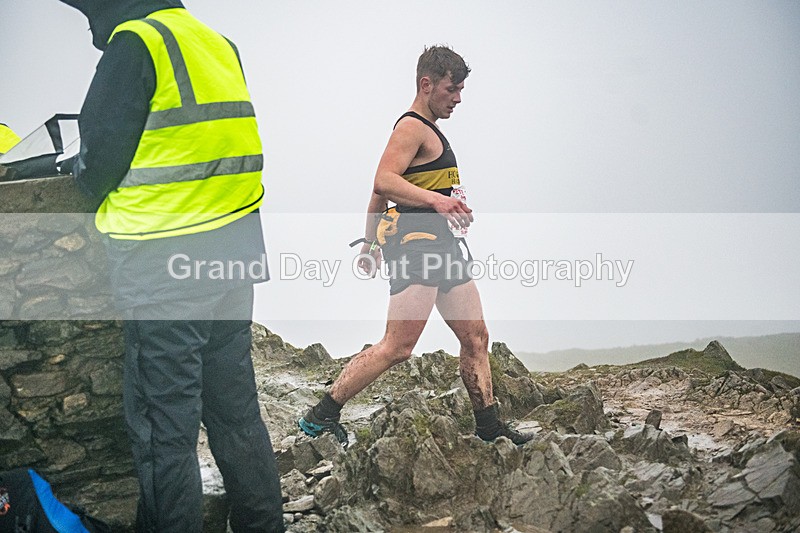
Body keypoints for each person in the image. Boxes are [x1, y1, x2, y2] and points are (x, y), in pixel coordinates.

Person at [55, 1, 284, 531]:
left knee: (165, 432)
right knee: (236, 414)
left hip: (164, 265)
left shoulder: (136, 44)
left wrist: (80, 171)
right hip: (234, 252)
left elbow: (97, 166)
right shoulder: (218, 44)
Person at [299, 45, 532, 448]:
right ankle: (320, 415)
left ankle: (489, 428)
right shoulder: (411, 128)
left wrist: (369, 243)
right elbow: (383, 181)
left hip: (443, 246)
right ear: (427, 84)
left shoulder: (429, 130)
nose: (458, 98)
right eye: (451, 89)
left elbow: (380, 196)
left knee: (476, 337)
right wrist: (438, 202)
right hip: (416, 247)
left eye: (461, 90)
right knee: (398, 346)